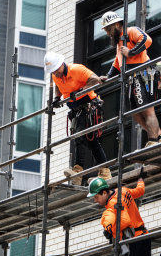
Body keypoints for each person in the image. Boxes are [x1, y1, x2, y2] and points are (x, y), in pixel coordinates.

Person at [101, 11, 161, 147]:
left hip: (143, 74)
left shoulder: (131, 31)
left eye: (109, 29)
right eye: (106, 30)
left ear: (117, 24)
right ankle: (160, 136)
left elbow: (147, 40)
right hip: (133, 78)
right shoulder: (120, 43)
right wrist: (108, 77)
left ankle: (153, 140)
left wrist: (131, 52)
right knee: (136, 113)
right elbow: (118, 63)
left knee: (148, 110)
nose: (108, 33)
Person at [44, 52, 111, 185]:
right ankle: (87, 172)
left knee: (87, 139)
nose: (55, 73)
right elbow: (58, 85)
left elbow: (95, 79)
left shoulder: (77, 69)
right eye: (53, 71)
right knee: (82, 140)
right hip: (76, 109)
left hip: (88, 105)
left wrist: (82, 90)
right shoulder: (55, 75)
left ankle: (84, 171)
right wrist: (57, 97)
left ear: (62, 64)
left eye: (56, 70)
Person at [88, 177, 152, 256]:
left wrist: (110, 230)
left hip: (133, 242)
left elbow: (125, 221)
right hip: (144, 237)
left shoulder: (113, 204)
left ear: (104, 193)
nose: (95, 200)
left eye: (96, 197)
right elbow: (140, 191)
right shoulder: (122, 191)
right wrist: (140, 181)